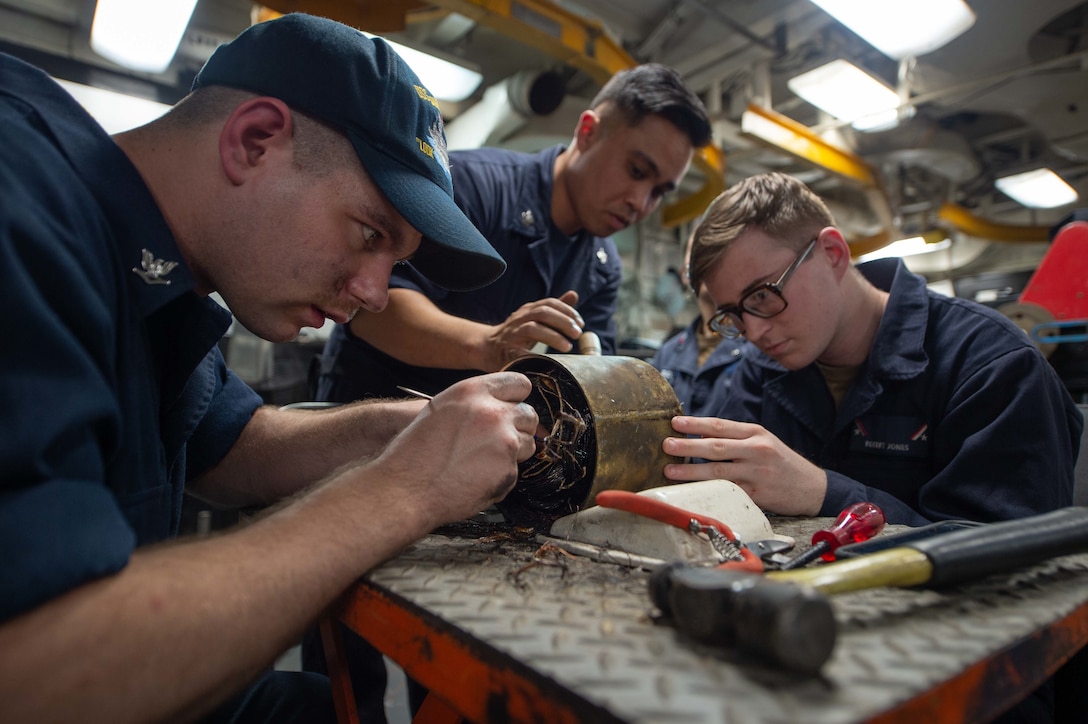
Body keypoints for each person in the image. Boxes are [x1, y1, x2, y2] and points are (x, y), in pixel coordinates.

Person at [0, 13, 541, 723]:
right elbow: (36, 664)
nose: (375, 294)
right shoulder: (22, 207)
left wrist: (421, 428)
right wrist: (407, 490)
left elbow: (230, 447)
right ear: (254, 141)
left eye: (395, 260)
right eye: (370, 233)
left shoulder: (148, 268)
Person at [665, 171, 1082, 530]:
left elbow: (1009, 558)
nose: (753, 331)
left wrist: (825, 494)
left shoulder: (992, 367)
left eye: (763, 295)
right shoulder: (761, 370)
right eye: (733, 315)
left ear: (832, 254)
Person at [313, 62, 713, 403]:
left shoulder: (602, 266)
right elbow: (373, 312)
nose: (641, 203)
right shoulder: (470, 188)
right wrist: (490, 346)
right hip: (368, 415)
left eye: (659, 191)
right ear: (588, 132)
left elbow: (590, 368)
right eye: (637, 172)